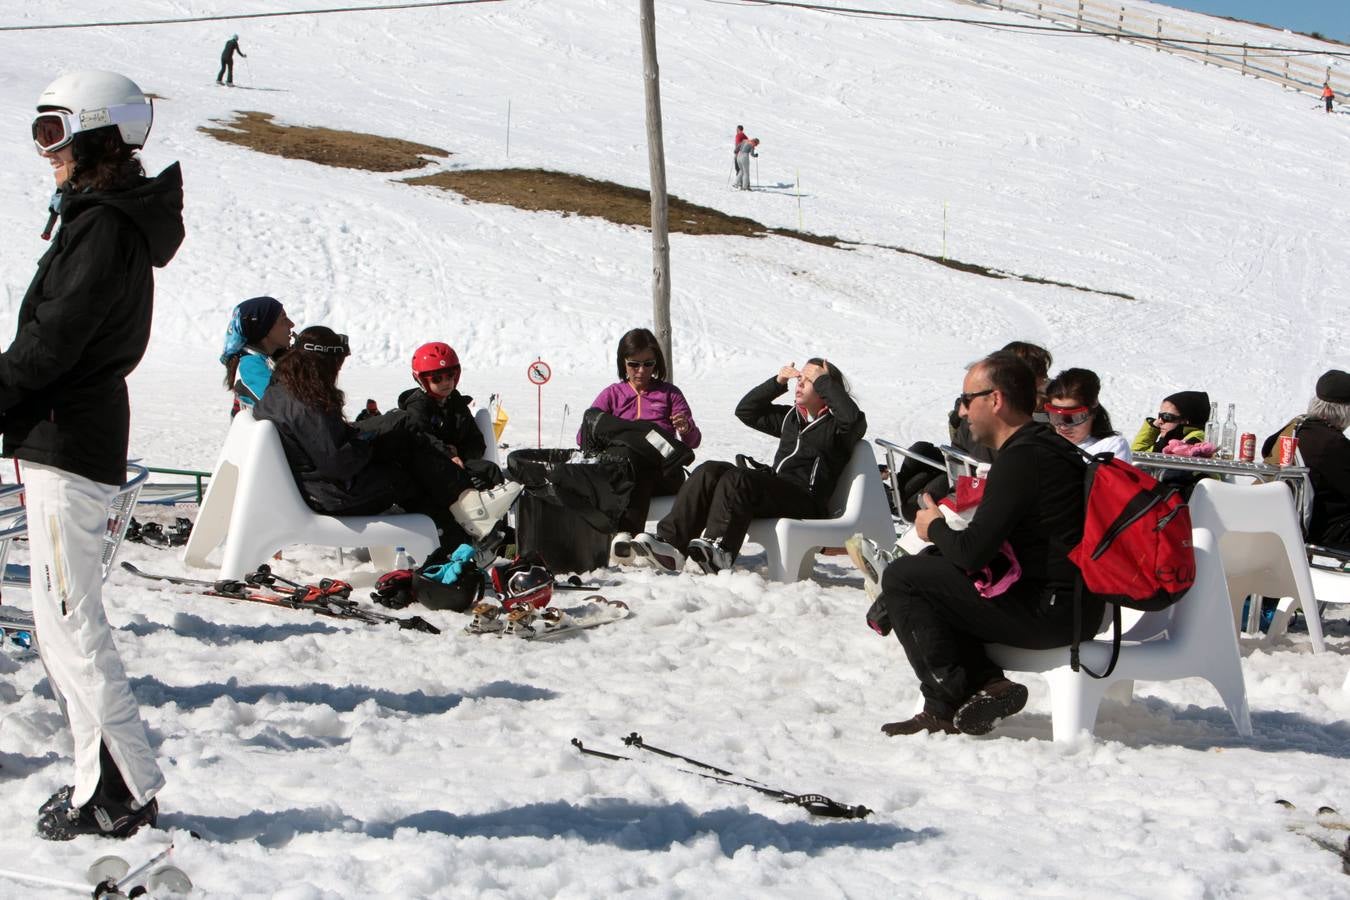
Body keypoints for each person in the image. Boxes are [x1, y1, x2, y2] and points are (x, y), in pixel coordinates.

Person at [1, 70, 182, 839]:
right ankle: (96, 784)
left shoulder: (104, 225)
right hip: (66, 437)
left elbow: (51, 344)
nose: (47, 152)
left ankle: (123, 789)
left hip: (70, 438)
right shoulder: (98, 218)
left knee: (72, 622)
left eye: (54, 133)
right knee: (58, 621)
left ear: (97, 133)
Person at [870, 351, 1103, 736]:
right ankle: (989, 684)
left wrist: (934, 527)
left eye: (966, 400)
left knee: (905, 577)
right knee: (931, 570)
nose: (961, 412)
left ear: (995, 400)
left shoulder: (1023, 459)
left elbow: (973, 552)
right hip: (1070, 605)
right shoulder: (1041, 448)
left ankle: (949, 700)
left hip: (1053, 614)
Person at [252, 327, 521, 558]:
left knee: (400, 425)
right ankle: (463, 534)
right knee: (413, 472)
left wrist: (368, 431)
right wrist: (369, 440)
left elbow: (328, 443)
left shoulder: (287, 391)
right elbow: (339, 462)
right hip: (335, 493)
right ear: (322, 363)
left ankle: (470, 517)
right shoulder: (306, 401)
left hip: (322, 485)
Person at [632, 358, 865, 575]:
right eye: (799, 379)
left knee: (740, 479)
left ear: (827, 389)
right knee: (710, 470)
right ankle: (670, 545)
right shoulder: (791, 419)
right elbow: (746, 411)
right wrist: (777, 382)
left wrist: (824, 380)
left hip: (807, 501)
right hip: (780, 492)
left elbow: (854, 420)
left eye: (809, 380)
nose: (800, 384)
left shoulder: (839, 428)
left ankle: (720, 549)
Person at [582, 328, 701, 562]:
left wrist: (685, 428)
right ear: (622, 363)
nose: (641, 371)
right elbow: (584, 435)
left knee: (639, 460)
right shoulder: (612, 395)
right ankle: (629, 537)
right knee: (632, 456)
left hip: (664, 473)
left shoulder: (669, 394)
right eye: (634, 364)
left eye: (648, 364)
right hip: (623, 472)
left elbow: (693, 442)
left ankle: (626, 534)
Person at [1262, 369, 1350, 550]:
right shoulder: (1333, 444)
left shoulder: (1297, 427)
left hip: (1289, 520)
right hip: (1326, 528)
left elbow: (1266, 449)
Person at [397, 341, 503, 489]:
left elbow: (477, 441)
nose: (446, 382)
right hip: (429, 467)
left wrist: (459, 451)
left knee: (491, 471)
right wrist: (448, 454)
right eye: (436, 378)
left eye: (450, 375)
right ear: (421, 380)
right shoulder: (417, 406)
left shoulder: (456, 402)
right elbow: (421, 439)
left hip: (457, 462)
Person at [220, 296, 293, 413]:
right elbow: (284, 410)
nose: (291, 324)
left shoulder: (268, 360)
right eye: (284, 319)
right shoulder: (250, 366)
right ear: (265, 328)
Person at [1043, 368, 1131, 463]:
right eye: (1056, 417)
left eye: (1072, 418)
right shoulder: (1043, 444)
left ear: (1092, 412)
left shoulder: (1110, 447)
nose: (1063, 427)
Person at [1130, 390, 1209, 453]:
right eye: (1159, 416)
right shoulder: (1172, 437)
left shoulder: (1194, 441)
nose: (1159, 421)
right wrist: (1153, 428)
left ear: (1186, 421)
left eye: (1166, 417)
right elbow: (1136, 455)